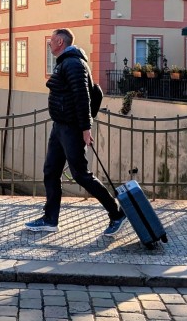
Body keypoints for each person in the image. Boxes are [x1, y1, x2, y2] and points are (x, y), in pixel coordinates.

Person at [25, 28, 126, 236]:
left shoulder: (73, 64)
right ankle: (50, 219)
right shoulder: (65, 62)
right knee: (51, 171)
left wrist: (86, 129)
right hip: (60, 127)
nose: (49, 43)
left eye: (52, 40)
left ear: (60, 42)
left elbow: (83, 97)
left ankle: (116, 213)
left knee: (81, 175)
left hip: (72, 128)